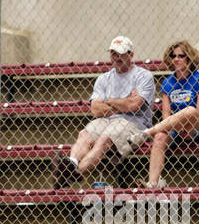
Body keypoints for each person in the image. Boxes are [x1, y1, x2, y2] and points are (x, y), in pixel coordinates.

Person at [52, 36, 156, 186]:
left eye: (120, 53)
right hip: (107, 120)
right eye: (113, 53)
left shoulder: (144, 76)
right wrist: (123, 102)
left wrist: (109, 101)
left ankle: (71, 174)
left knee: (104, 139)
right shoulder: (104, 79)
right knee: (84, 134)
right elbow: (95, 109)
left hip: (134, 123)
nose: (116, 57)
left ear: (131, 55)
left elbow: (134, 107)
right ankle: (72, 164)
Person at [121, 40, 199, 188]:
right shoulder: (168, 83)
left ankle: (146, 133)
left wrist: (180, 124)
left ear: (189, 57)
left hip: (196, 127)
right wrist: (174, 126)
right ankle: (153, 182)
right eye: (173, 56)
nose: (176, 59)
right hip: (176, 127)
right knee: (159, 137)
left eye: (181, 56)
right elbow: (166, 115)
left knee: (190, 111)